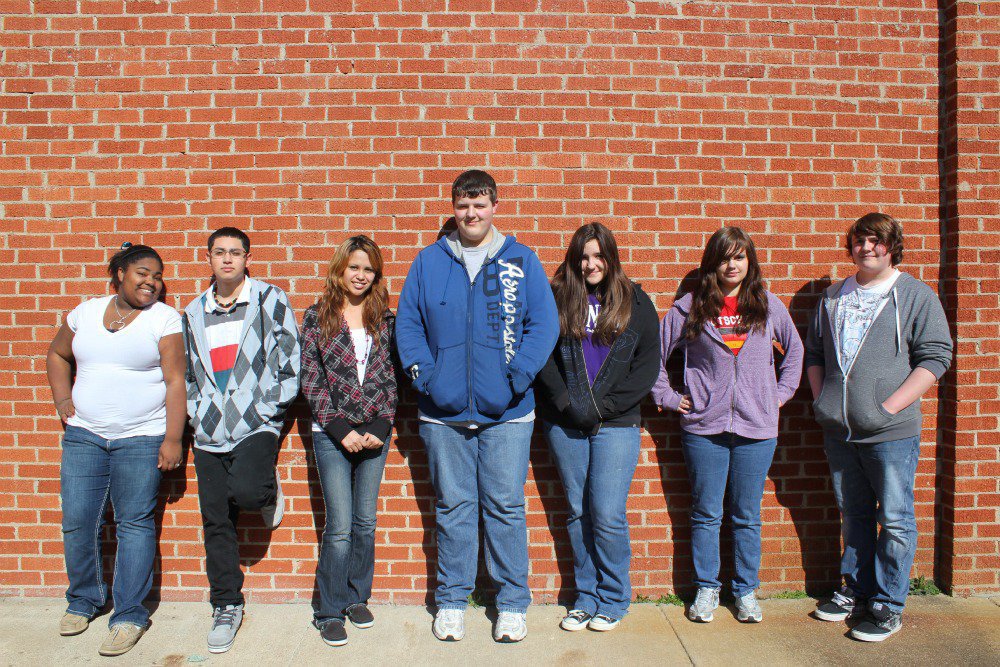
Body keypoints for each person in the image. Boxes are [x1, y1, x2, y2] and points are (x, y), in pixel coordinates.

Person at [396, 169, 559, 643]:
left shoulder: (520, 260)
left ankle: (511, 603)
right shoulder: (428, 261)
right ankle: (451, 601)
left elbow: (543, 326)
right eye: (463, 205)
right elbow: (408, 325)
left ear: (494, 207)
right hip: (442, 413)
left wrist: (518, 377)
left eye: (480, 205)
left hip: (507, 412)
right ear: (453, 208)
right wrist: (425, 377)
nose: (471, 214)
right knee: (454, 508)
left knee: (506, 506)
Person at [806, 212, 952, 642]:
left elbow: (936, 356)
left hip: (890, 433)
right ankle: (857, 589)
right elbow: (814, 353)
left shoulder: (913, 295)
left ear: (892, 247)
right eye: (859, 241)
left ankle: (888, 605)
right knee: (853, 515)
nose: (866, 248)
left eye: (876, 241)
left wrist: (888, 408)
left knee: (894, 518)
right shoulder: (833, 296)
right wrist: (822, 400)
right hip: (840, 430)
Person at [651, 227, 803, 625]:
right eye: (724, 257)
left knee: (746, 514)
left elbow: (796, 351)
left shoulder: (768, 305)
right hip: (704, 428)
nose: (731, 265)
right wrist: (669, 397)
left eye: (739, 256)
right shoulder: (688, 308)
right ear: (712, 263)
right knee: (705, 513)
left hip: (757, 427)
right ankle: (706, 588)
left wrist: (780, 393)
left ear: (749, 261)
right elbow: (655, 357)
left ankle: (746, 591)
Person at [46, 243, 185, 657]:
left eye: (158, 276)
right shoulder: (85, 312)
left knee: (135, 524)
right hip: (85, 436)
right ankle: (84, 599)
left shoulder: (164, 319)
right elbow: (57, 353)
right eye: (143, 272)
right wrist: (62, 399)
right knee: (78, 520)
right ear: (120, 272)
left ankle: (128, 615)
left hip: (141, 437)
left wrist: (173, 438)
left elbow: (176, 380)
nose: (152, 282)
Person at [534, 223, 660, 632]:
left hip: (616, 423)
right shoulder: (556, 298)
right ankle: (585, 597)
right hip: (565, 420)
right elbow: (542, 357)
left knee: (606, 513)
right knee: (577, 511)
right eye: (583, 256)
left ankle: (613, 597)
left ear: (611, 257)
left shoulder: (636, 303)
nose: (590, 264)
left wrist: (601, 407)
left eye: (598, 256)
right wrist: (568, 404)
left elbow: (646, 368)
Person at [182, 227, 301, 653]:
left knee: (248, 492)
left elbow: (290, 362)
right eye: (219, 252)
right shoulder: (193, 311)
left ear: (247, 257)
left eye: (235, 252)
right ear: (209, 258)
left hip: (256, 424)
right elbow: (188, 374)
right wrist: (196, 415)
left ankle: (266, 490)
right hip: (208, 432)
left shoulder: (270, 299)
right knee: (216, 521)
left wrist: (265, 409)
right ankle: (227, 604)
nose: (227, 259)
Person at [300, 236, 398, 647]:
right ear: (340, 269)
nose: (360, 275)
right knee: (339, 526)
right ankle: (328, 610)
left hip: (375, 434)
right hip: (332, 436)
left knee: (365, 521)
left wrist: (381, 424)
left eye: (368, 269)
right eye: (354, 267)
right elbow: (311, 378)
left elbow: (394, 378)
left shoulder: (385, 319)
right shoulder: (316, 317)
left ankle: (358, 598)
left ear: (376, 275)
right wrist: (341, 429)